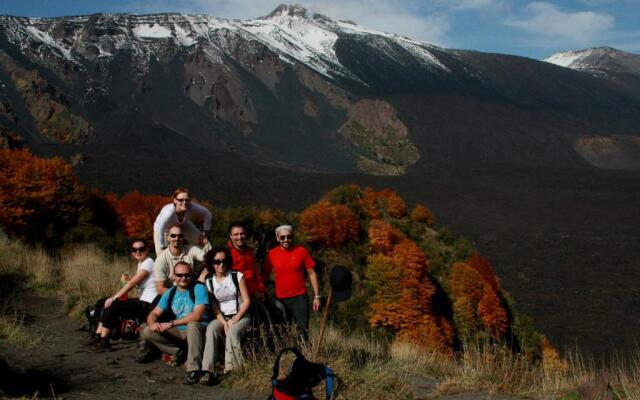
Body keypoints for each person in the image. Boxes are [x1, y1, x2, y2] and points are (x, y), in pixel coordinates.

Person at [141, 261, 211, 385]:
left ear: (191, 274)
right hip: (180, 330)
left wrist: (172, 323)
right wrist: (152, 323)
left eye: (187, 275)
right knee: (147, 330)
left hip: (198, 330)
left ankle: (193, 369)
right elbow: (154, 313)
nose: (183, 278)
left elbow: (197, 315)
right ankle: (182, 350)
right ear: (174, 276)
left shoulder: (199, 288)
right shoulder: (171, 292)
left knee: (193, 324)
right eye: (179, 275)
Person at [86, 238, 157, 352]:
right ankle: (97, 335)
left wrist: (115, 297)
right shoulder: (141, 263)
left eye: (141, 249)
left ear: (147, 249)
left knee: (113, 304)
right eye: (134, 249)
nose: (137, 252)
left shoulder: (149, 262)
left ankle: (104, 340)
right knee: (102, 302)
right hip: (142, 301)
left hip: (149, 305)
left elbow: (133, 283)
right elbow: (134, 283)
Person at [198, 246, 251, 382]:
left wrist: (235, 318)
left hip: (240, 315)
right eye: (217, 262)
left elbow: (246, 301)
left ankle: (232, 369)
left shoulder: (236, 276)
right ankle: (207, 370)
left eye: (224, 261)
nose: (221, 264)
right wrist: (223, 322)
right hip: (222, 316)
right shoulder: (210, 281)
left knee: (232, 333)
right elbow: (214, 306)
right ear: (212, 263)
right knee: (211, 329)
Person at [263, 225, 320, 335]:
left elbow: (312, 273)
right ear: (277, 238)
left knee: (303, 330)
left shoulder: (301, 251)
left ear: (292, 237)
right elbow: (264, 274)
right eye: (282, 237)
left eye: (288, 237)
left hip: (300, 298)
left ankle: (304, 351)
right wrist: (264, 294)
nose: (286, 240)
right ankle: (287, 351)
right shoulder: (271, 254)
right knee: (282, 331)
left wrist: (317, 296)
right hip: (280, 299)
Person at [153, 188, 212, 256]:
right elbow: (160, 228)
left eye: (187, 200)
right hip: (164, 230)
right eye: (180, 200)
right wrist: (162, 246)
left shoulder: (191, 206)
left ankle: (212, 261)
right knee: (163, 256)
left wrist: (204, 234)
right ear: (175, 200)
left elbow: (208, 214)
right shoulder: (168, 212)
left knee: (204, 243)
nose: (184, 202)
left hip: (183, 224)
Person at [154, 224, 209, 295]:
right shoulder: (161, 259)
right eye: (173, 236)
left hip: (191, 290)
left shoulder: (191, 249)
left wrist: (203, 275)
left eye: (180, 236)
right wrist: (181, 296)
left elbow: (210, 259)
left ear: (183, 238)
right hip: (171, 294)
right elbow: (160, 289)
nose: (177, 238)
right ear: (168, 238)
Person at [227, 223, 265, 299]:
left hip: (254, 293)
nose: (239, 237)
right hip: (237, 296)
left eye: (242, 234)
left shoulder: (248, 252)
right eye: (236, 234)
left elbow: (255, 273)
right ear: (230, 236)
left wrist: (261, 290)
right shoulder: (227, 254)